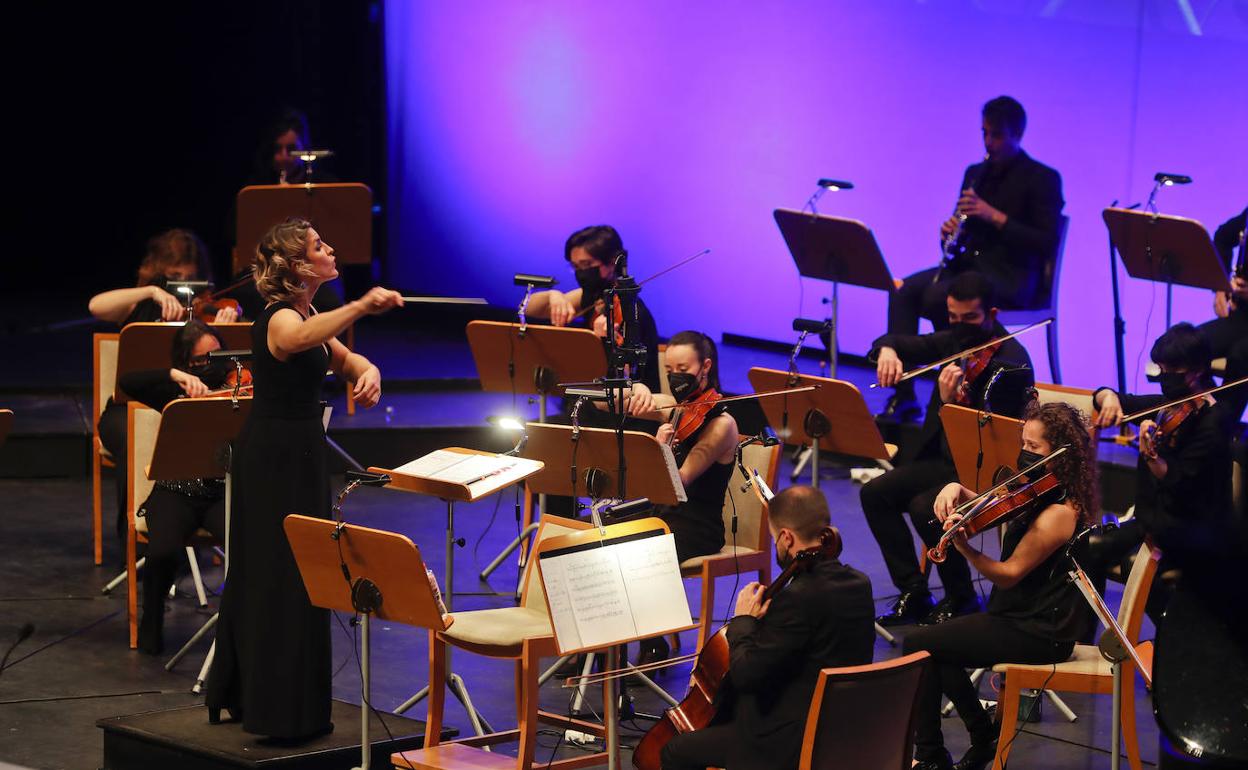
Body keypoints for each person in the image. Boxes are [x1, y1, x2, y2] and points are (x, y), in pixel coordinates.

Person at [205, 217, 403, 739]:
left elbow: (340, 355)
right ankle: (273, 707)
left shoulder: (309, 310)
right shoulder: (278, 317)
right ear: (297, 267)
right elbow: (299, 339)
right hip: (272, 455)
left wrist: (366, 369)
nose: (331, 248)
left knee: (305, 570)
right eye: (320, 246)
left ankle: (287, 700)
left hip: (301, 452)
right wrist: (361, 306)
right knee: (277, 573)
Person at [903, 401, 1098, 770]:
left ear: (1061, 455)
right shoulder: (1039, 492)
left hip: (1039, 632)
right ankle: (980, 736)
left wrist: (966, 550)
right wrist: (956, 487)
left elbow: (1009, 573)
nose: (1024, 453)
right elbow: (991, 506)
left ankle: (930, 756)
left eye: (1034, 447)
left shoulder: (1060, 513)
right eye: (1023, 443)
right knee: (931, 650)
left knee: (919, 645)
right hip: (1015, 618)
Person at [659, 485, 875, 770]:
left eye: (775, 538)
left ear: (786, 537)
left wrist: (743, 621)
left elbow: (747, 674)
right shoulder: (860, 584)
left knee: (675, 751)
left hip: (788, 743)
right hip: (846, 730)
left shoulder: (797, 598)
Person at [862, 272, 1034, 627]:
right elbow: (896, 339)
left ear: (992, 312)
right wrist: (889, 351)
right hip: (943, 461)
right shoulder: (955, 340)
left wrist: (950, 404)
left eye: (969, 318)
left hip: (985, 470)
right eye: (953, 318)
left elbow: (991, 441)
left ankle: (962, 597)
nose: (960, 327)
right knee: (875, 493)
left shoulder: (1011, 364)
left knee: (926, 506)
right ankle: (914, 591)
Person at [883, 96, 1063, 422]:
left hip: (1012, 275)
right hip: (969, 268)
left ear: (1017, 134)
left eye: (996, 135)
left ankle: (953, 391)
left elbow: (1045, 240)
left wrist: (993, 215)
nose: (988, 142)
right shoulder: (975, 172)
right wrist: (949, 233)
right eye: (985, 133)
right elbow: (963, 235)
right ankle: (904, 395)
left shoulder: (1042, 178)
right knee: (902, 290)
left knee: (941, 297)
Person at [90, 229, 238, 556]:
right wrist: (149, 294)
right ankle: (143, 537)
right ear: (156, 271)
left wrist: (226, 327)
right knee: (135, 437)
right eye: (173, 276)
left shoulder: (209, 310)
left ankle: (205, 525)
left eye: (190, 277)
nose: (183, 285)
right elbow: (96, 305)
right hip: (130, 406)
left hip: (188, 408)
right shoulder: (140, 305)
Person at [1091, 322, 1236, 618]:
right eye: (1161, 370)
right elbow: (1111, 395)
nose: (1164, 379)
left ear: (1196, 371)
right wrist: (1109, 399)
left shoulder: (1214, 420)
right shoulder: (1168, 405)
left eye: (1172, 372)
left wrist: (1151, 457)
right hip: (1152, 521)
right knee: (1088, 548)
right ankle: (1078, 643)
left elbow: (1178, 480)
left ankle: (1172, 647)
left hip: (1192, 529)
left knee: (1137, 566)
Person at [118, 321, 235, 654]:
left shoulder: (237, 389)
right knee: (162, 552)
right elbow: (128, 382)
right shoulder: (173, 393)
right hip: (175, 491)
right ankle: (151, 619)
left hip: (218, 493)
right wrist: (174, 375)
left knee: (247, 544)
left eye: (217, 357)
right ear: (187, 363)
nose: (212, 366)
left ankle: (239, 625)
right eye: (202, 361)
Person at [635, 331, 739, 665]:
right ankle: (604, 645)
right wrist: (637, 387)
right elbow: (608, 400)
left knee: (640, 548)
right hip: (664, 516)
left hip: (698, 525)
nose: (675, 375)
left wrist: (660, 449)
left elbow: (679, 481)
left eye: (683, 367)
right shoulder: (675, 409)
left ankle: (648, 639)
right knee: (598, 531)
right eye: (669, 368)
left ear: (705, 366)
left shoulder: (722, 423)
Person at [526, 224, 661, 403]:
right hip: (592, 396)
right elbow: (527, 307)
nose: (581, 273)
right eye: (575, 267)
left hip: (630, 408)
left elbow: (626, 378)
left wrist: (604, 341)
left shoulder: (632, 310)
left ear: (612, 262)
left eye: (587, 265)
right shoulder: (595, 293)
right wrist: (554, 296)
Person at [1198, 205, 1248, 424]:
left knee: (1240, 355)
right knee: (1187, 345)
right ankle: (1207, 416)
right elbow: (1223, 236)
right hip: (1242, 315)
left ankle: (1221, 429)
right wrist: (1220, 285)